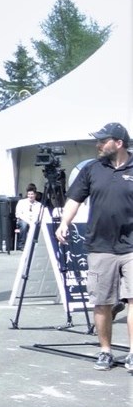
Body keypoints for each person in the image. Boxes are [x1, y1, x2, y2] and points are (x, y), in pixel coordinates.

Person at [57, 122, 133, 373]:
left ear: (119, 143)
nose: (98, 144)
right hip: (100, 246)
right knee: (102, 302)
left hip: (132, 247)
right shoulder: (92, 169)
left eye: (103, 140)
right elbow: (74, 199)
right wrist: (64, 222)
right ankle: (105, 351)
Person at [14, 185, 43, 250]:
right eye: (29, 194)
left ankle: (35, 244)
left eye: (32, 194)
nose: (30, 196)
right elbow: (18, 214)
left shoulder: (39, 205)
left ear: (35, 195)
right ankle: (22, 245)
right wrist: (28, 221)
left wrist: (33, 221)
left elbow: (40, 215)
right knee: (24, 224)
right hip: (23, 220)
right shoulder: (21, 202)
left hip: (34, 221)